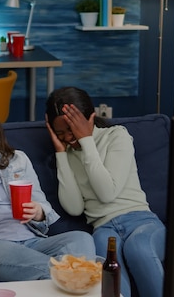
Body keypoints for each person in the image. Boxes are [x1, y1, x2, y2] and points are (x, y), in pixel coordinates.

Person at [0, 98, 95, 281]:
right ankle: (74, 275)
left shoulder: (17, 160)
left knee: (81, 239)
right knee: (77, 268)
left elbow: (44, 209)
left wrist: (37, 212)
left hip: (33, 241)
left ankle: (67, 275)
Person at [44, 86, 166, 297]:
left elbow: (107, 193)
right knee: (102, 250)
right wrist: (61, 155)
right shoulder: (68, 153)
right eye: (60, 133)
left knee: (138, 247)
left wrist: (86, 142)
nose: (68, 138)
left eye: (72, 129)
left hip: (141, 221)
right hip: (102, 227)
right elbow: (74, 208)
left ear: (89, 118)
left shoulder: (117, 136)